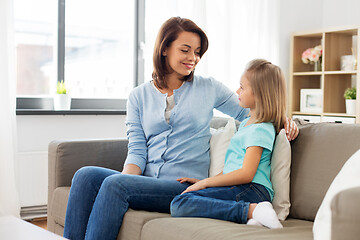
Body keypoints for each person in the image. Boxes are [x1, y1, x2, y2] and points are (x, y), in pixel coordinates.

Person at [63, 17, 298, 240]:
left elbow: (253, 110)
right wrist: (131, 184)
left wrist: (285, 120)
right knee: (86, 176)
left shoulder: (209, 88)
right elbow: (136, 150)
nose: (193, 58)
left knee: (115, 184)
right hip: (147, 182)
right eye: (185, 50)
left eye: (197, 52)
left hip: (183, 186)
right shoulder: (138, 96)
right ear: (165, 48)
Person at [170, 59, 287, 229]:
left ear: (259, 93)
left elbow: (246, 173)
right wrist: (205, 180)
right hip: (242, 188)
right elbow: (232, 170)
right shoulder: (248, 124)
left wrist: (205, 183)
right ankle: (253, 218)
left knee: (180, 203)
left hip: (252, 190)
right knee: (182, 200)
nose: (237, 91)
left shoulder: (261, 129)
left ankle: (253, 210)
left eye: (242, 87)